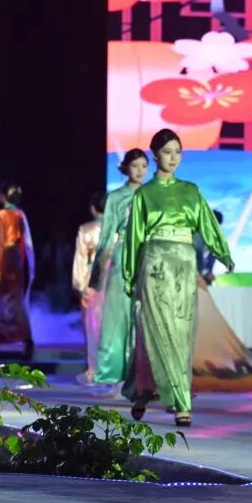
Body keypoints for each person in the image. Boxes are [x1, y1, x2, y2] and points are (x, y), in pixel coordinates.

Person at [123, 129, 234, 426]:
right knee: (158, 329)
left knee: (182, 332)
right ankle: (181, 402)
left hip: (185, 263)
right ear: (154, 155)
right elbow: (134, 238)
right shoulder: (144, 194)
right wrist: (129, 276)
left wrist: (223, 254)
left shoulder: (191, 190)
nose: (173, 158)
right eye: (167, 152)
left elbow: (207, 225)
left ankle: (145, 390)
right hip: (155, 264)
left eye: (177, 152)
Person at [90, 149, 149, 395]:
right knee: (117, 319)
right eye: (135, 165)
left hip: (149, 256)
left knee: (145, 320)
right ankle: (113, 375)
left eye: (144, 165)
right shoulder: (115, 197)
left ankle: (143, 379)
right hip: (123, 256)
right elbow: (106, 235)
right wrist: (96, 272)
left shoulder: (153, 195)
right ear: (126, 168)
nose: (140, 170)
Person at [0, 182, 34, 359]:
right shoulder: (20, 214)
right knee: (15, 301)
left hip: (3, 258)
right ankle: (26, 340)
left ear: (3, 196)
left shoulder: (1, 214)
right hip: (16, 260)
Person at [72, 192, 107, 385]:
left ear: (92, 208)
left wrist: (79, 286)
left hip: (91, 283)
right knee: (110, 327)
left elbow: (80, 259)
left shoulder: (86, 230)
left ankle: (94, 371)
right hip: (112, 282)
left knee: (93, 328)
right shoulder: (116, 229)